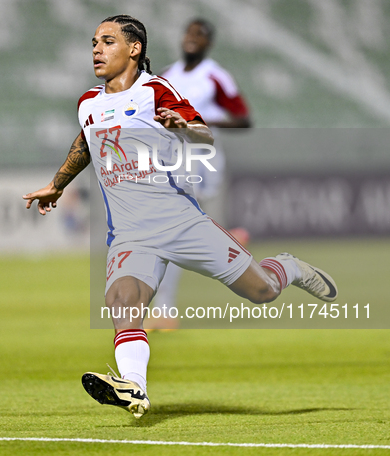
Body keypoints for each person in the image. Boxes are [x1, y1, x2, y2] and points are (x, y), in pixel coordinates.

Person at [22, 15, 338, 419]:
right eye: (94, 42)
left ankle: (288, 267)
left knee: (262, 291)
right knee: (122, 302)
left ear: (134, 48)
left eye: (107, 41)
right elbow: (85, 140)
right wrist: (59, 183)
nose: (97, 49)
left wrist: (182, 124)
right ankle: (135, 387)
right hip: (130, 233)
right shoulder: (88, 102)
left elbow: (205, 133)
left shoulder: (155, 90)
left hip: (181, 221)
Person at [148, 18, 252, 330]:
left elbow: (244, 119)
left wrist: (203, 121)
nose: (192, 38)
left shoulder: (216, 76)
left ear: (208, 43)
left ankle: (165, 310)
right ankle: (226, 240)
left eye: (200, 35)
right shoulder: (168, 76)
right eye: (189, 33)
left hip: (203, 158)